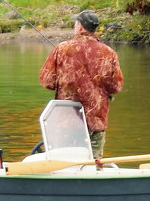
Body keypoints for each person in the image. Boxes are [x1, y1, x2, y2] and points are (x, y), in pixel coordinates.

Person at [38, 9, 123, 158]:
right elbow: (116, 87)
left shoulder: (61, 49)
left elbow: (46, 80)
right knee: (94, 164)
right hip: (95, 121)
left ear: (80, 27)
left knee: (65, 162)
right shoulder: (109, 53)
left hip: (67, 121)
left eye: (75, 23)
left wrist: (65, 83)